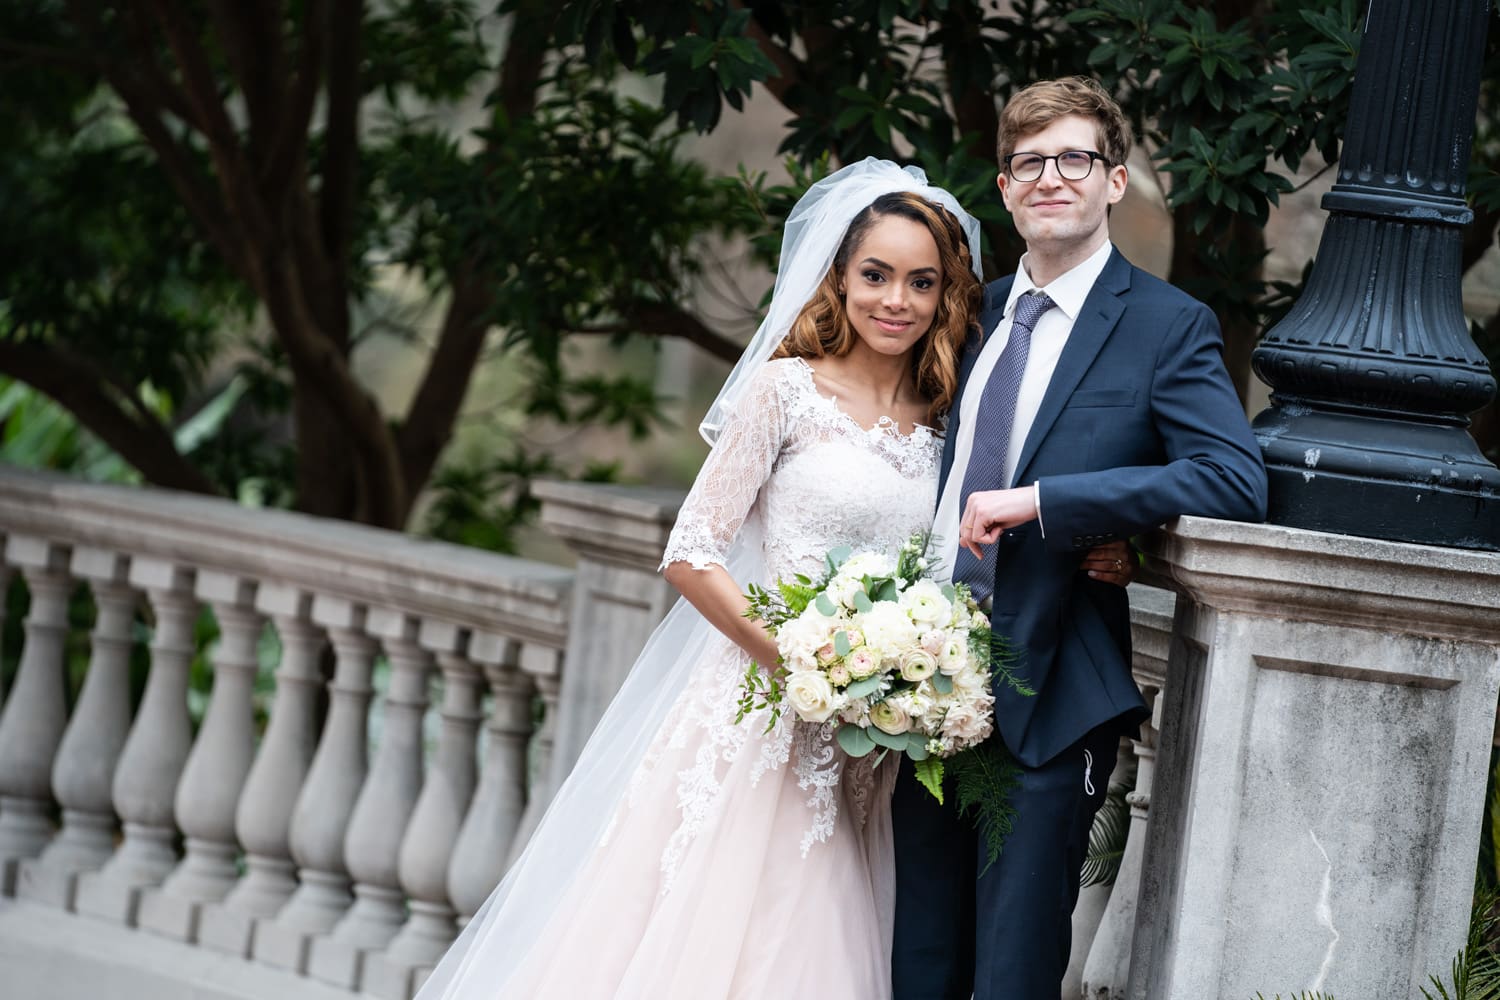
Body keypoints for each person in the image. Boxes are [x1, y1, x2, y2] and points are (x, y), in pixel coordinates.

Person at [413, 158, 1130, 1000]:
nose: (895, 301)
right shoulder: (785, 392)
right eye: (875, 276)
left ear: (946, 296)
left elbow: (994, 521)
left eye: (921, 283)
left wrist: (1115, 546)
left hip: (880, 741)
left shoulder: (951, 414)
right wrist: (799, 663)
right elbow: (690, 548)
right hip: (762, 713)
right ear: (839, 278)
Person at [889, 77, 1269, 1000]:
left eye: (1074, 159)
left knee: (1011, 975)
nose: (1049, 178)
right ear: (1007, 188)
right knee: (917, 965)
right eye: (1028, 163)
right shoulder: (962, 314)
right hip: (917, 686)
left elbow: (1232, 477)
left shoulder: (1165, 325)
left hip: (1052, 688)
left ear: (1115, 181)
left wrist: (1053, 504)